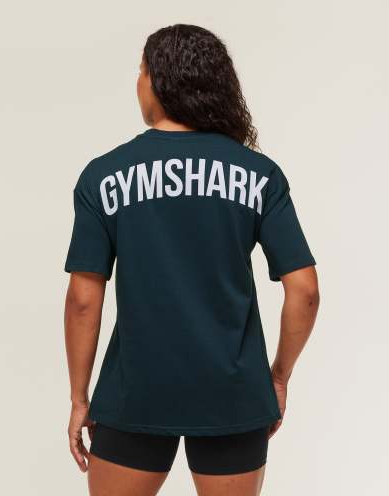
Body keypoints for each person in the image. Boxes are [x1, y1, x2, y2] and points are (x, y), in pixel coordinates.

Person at [63, 24, 320, 496]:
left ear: (160, 81)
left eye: (140, 71)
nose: (137, 83)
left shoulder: (104, 176)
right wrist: (278, 377)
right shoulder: (260, 175)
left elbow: (84, 298)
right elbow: (304, 291)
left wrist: (80, 397)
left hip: (135, 392)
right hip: (234, 395)